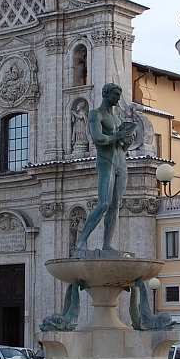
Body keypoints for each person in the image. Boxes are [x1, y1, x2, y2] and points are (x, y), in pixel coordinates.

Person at [73, 83, 137, 253]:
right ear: (106, 94)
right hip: (105, 162)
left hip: (120, 162)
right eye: (115, 95)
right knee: (103, 204)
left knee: (115, 206)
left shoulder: (118, 119)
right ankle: (81, 241)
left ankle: (106, 245)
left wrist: (126, 142)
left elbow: (120, 146)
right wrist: (118, 135)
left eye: (118, 95)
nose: (117, 98)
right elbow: (98, 138)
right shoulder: (96, 114)